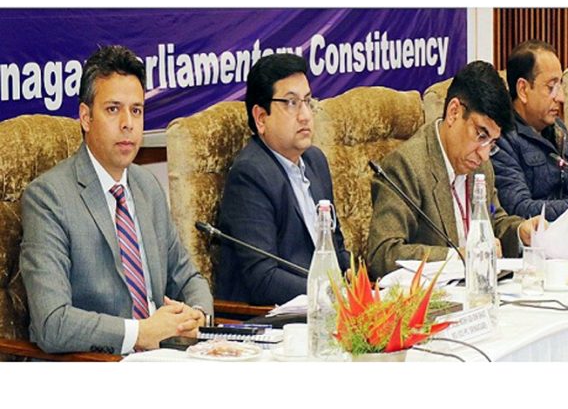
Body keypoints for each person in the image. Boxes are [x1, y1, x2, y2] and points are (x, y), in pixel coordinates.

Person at [20, 45, 213, 355]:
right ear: (85, 117)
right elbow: (51, 323)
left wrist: (198, 316)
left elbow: (187, 276)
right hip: (95, 365)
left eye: (136, 110)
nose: (128, 123)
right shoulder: (49, 198)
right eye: (113, 109)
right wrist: (140, 332)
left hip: (164, 358)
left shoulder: (147, 185)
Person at [366, 60, 539, 279]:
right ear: (454, 112)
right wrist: (455, 257)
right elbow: (382, 254)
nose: (485, 154)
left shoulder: (480, 164)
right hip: (436, 303)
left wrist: (520, 231)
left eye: (492, 143)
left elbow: (494, 220)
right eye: (481, 135)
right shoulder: (407, 166)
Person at [216, 53, 350, 305]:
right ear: (260, 118)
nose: (305, 115)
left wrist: (361, 279)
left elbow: (336, 247)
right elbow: (263, 278)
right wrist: (331, 294)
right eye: (291, 103)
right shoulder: (250, 175)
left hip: (324, 309)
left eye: (308, 101)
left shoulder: (315, 161)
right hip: (271, 321)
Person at [491, 40, 568, 221]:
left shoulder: (557, 129)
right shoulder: (500, 137)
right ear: (523, 90)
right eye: (551, 87)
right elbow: (519, 209)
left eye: (560, 85)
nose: (560, 97)